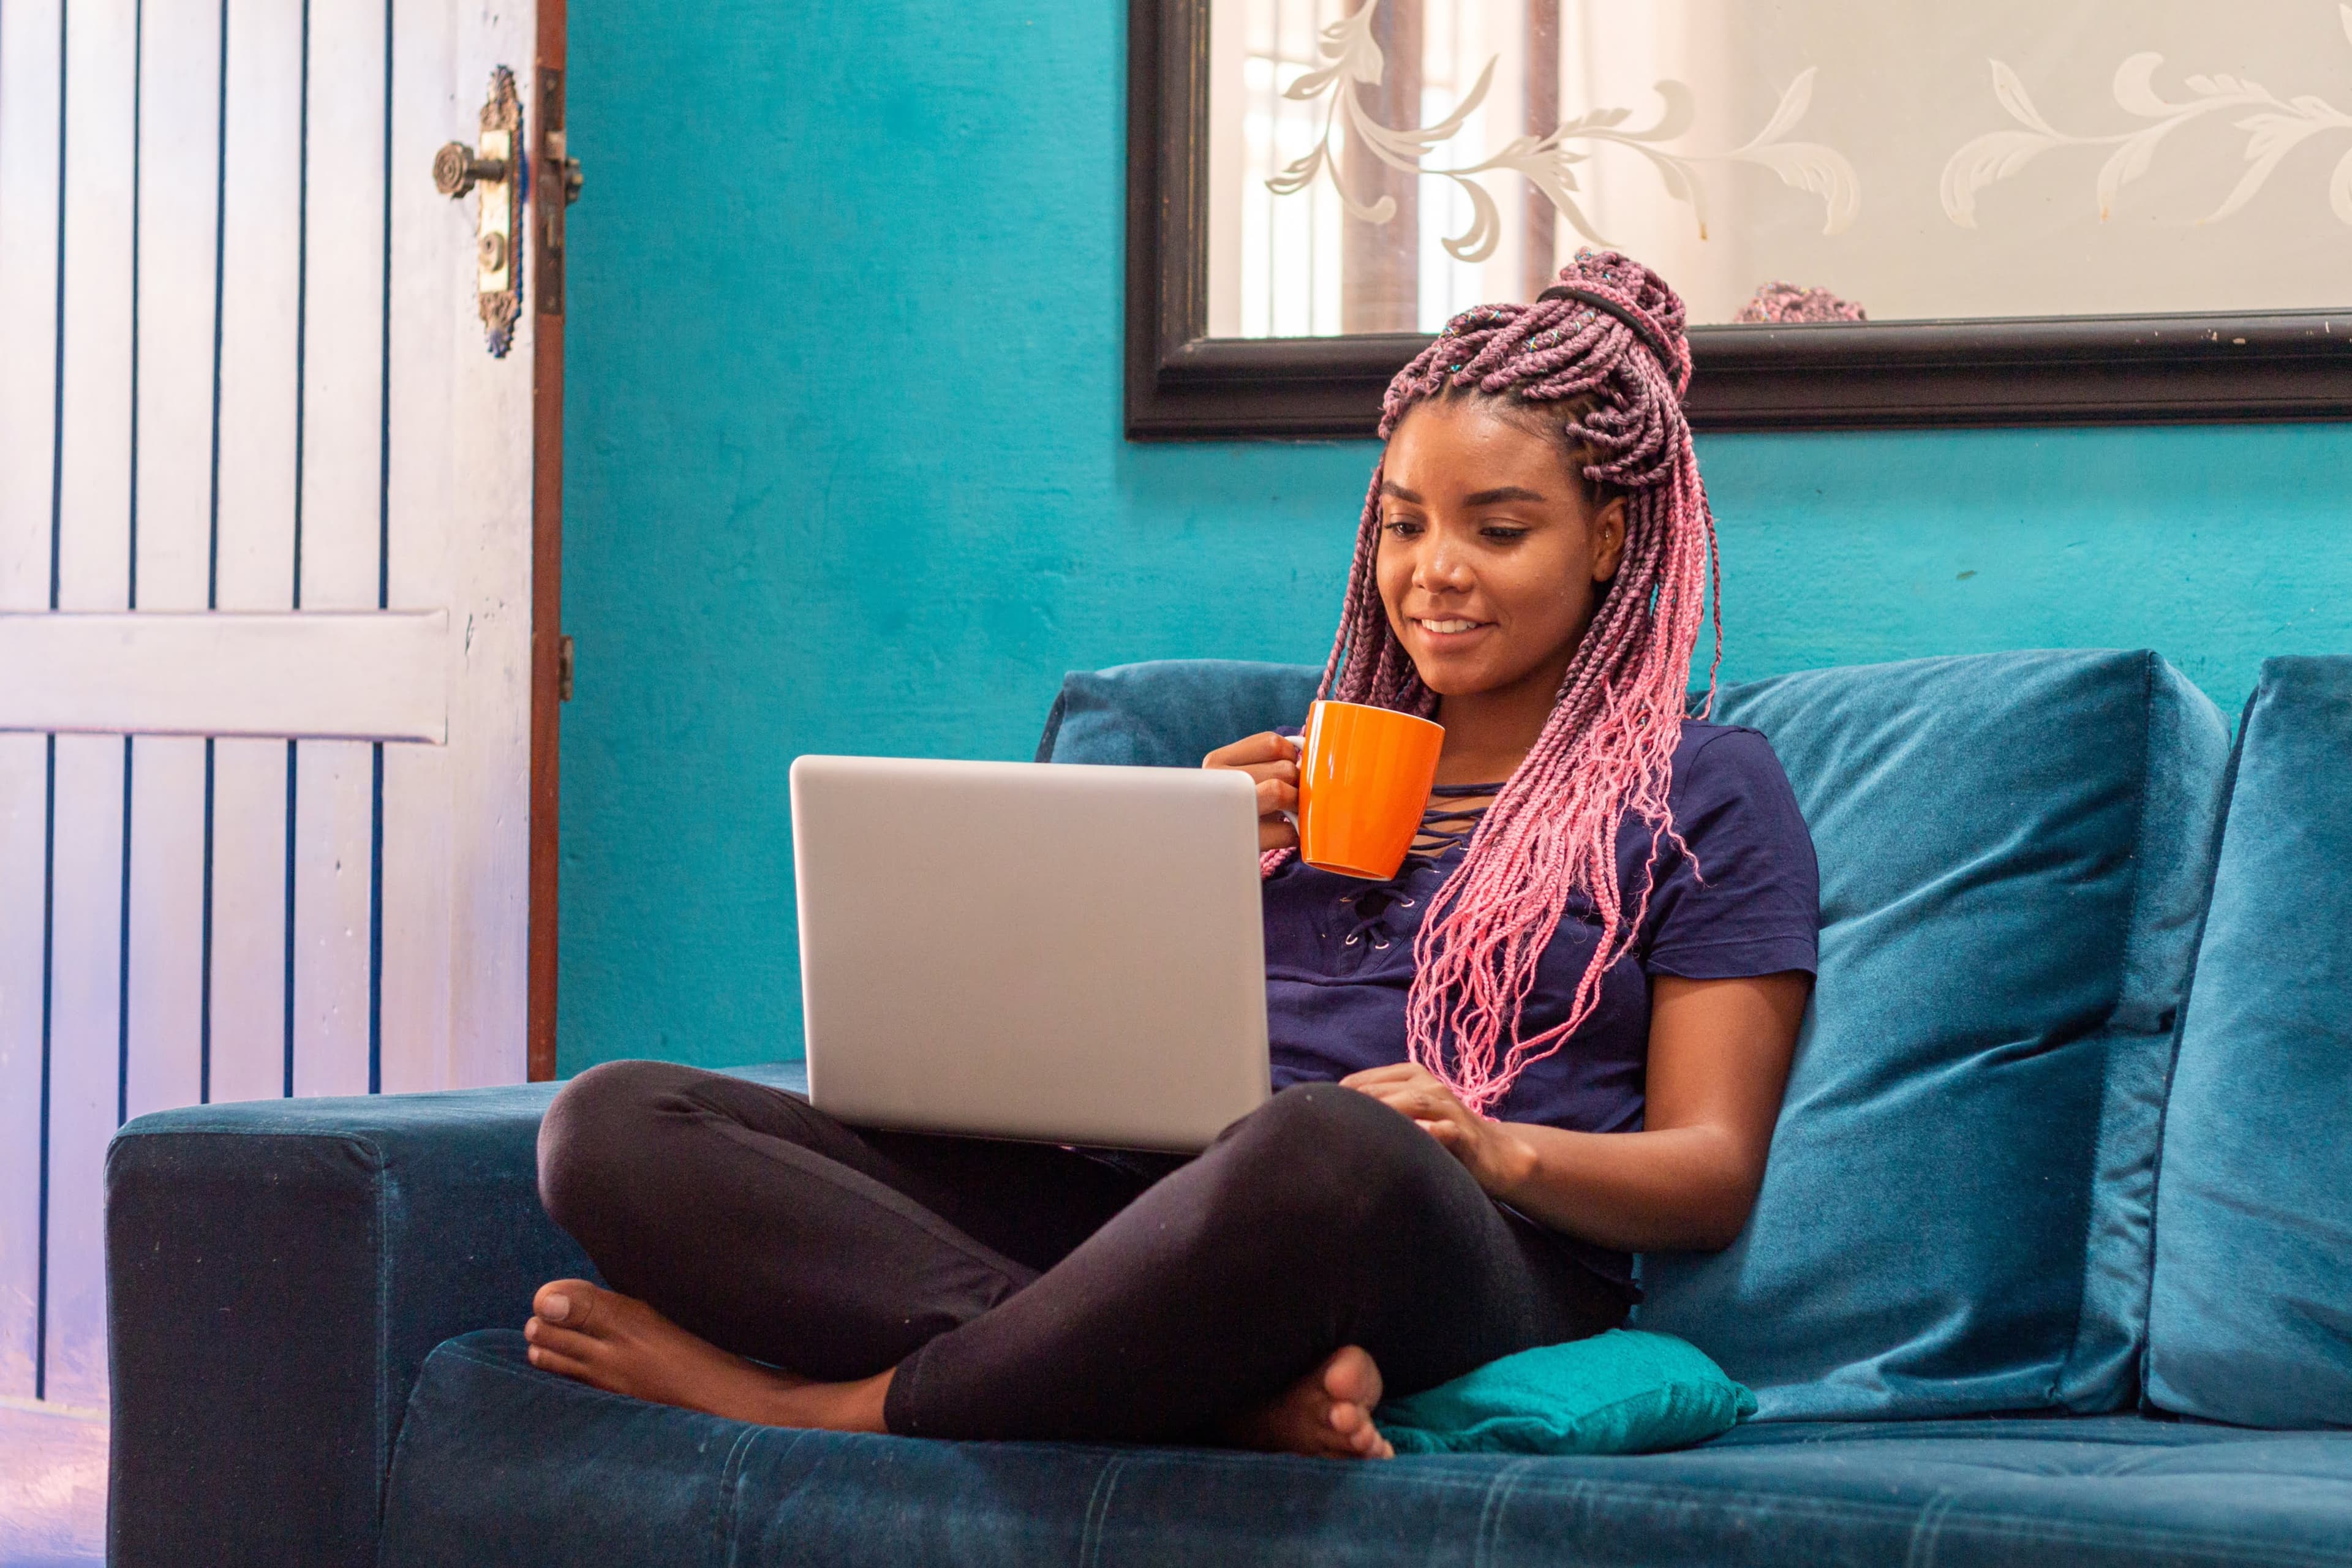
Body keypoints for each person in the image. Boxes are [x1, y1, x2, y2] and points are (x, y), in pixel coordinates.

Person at [522, 249, 1819, 1461]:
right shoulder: (1286, 775)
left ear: (1605, 540)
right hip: (1163, 1216)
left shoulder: (1705, 789)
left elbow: (1710, 1168)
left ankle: (830, 1405)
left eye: (1498, 526)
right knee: (614, 1122)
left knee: (1328, 1143)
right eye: (1404, 523)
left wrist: (1489, 1146)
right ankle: (1184, 1382)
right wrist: (1172, 866)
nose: (1433, 573)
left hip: (1457, 1241)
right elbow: (1062, 1069)